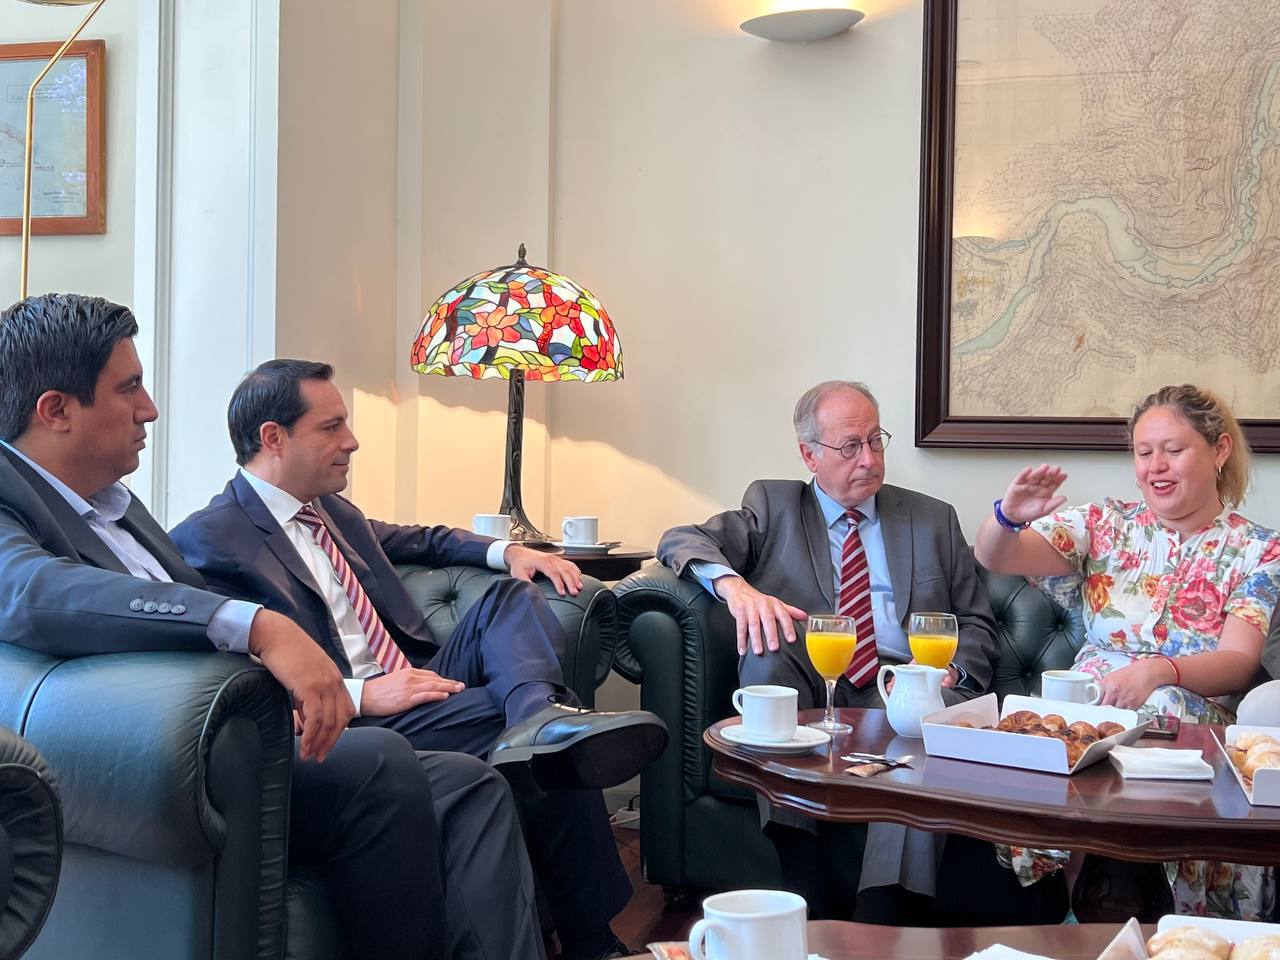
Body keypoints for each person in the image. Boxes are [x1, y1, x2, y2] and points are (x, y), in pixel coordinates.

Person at [0, 293, 544, 960]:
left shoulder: (117, 506)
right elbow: (30, 591)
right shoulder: (9, 499)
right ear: (56, 410)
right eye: (129, 387)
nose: (150, 409)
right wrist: (257, 624)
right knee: (381, 759)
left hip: (251, 725)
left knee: (471, 786)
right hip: (177, 757)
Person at [169, 359, 668, 960]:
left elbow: (427, 539)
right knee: (552, 748)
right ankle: (593, 940)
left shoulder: (330, 511)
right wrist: (360, 694)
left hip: (414, 680)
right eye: (331, 427)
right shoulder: (210, 539)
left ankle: (537, 716)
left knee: (509, 600)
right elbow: (228, 679)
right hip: (356, 719)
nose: (351, 441)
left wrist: (507, 551)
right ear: (273, 437)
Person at [658, 380, 1005, 923]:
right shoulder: (773, 505)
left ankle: (883, 918)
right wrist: (736, 588)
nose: (868, 459)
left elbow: (978, 621)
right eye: (849, 446)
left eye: (876, 440)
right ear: (810, 455)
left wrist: (950, 671)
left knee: (918, 728)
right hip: (814, 677)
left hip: (903, 681)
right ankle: (803, 884)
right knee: (768, 656)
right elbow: (680, 539)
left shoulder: (932, 519)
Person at [975, 383, 1280, 921]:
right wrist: (1007, 517)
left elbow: (1239, 661)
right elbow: (998, 556)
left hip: (1188, 717)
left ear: (1220, 450)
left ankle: (1137, 913)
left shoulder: (1259, 549)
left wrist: (1160, 671)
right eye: (1144, 452)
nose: (1155, 466)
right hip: (1092, 712)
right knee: (1066, 737)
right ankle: (1085, 914)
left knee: (1154, 714)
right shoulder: (1104, 523)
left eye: (1173, 450)